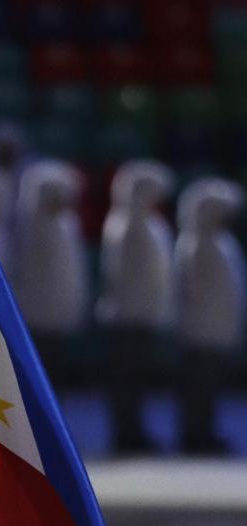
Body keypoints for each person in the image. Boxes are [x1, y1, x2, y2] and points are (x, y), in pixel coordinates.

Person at [96, 158, 176, 454]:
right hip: (127, 315)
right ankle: (125, 433)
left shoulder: (150, 222)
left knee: (137, 379)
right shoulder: (125, 223)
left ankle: (135, 429)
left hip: (144, 314)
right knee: (125, 379)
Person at [174, 177, 246, 455]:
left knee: (210, 387)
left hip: (216, 328)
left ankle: (205, 431)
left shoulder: (221, 241)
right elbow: (195, 292)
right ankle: (194, 435)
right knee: (198, 387)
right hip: (200, 329)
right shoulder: (196, 243)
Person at [14, 158, 88, 390]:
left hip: (61, 305)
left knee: (58, 366)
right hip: (38, 307)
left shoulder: (68, 223)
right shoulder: (32, 224)